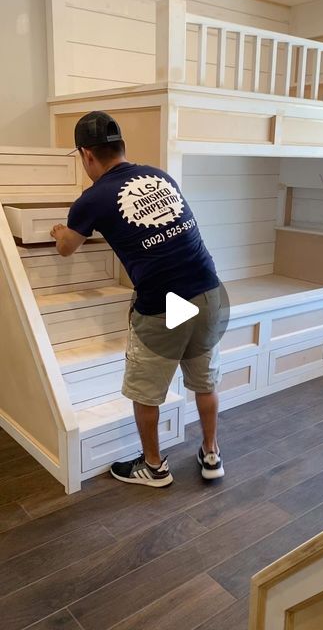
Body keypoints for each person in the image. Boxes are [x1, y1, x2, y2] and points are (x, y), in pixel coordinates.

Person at [51, 111, 224, 488]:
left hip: (165, 305)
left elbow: (66, 248)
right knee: (204, 381)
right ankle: (211, 454)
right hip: (210, 291)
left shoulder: (92, 199)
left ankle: (154, 467)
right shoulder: (160, 176)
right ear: (122, 148)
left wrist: (61, 229)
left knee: (146, 391)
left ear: (86, 155)